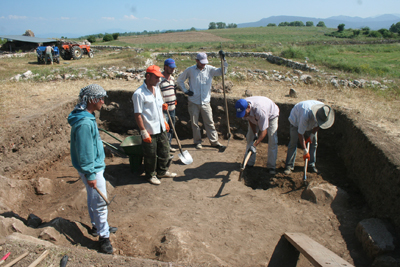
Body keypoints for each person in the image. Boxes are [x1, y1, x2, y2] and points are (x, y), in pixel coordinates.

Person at [68, 84, 117, 254]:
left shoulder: (87, 117)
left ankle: (97, 227)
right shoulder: (83, 124)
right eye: (101, 98)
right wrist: (90, 174)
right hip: (92, 169)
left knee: (93, 198)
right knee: (101, 203)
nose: (103, 102)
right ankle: (104, 238)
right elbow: (84, 152)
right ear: (93, 100)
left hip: (93, 167)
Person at [132, 65, 177, 185]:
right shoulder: (139, 94)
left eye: (159, 78)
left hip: (161, 127)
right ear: (148, 76)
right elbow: (138, 115)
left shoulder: (157, 89)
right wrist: (143, 131)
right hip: (150, 130)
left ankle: (162, 171)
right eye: (156, 77)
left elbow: (159, 108)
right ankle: (150, 175)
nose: (159, 80)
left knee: (165, 151)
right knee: (150, 155)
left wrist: (165, 121)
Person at [177, 51, 228, 149]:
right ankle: (197, 142)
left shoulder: (210, 69)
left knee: (209, 122)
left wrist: (224, 60)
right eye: (201, 62)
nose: (203, 64)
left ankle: (214, 142)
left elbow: (223, 71)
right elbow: (180, 80)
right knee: (194, 123)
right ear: (196, 60)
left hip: (205, 101)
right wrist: (185, 91)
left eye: (205, 62)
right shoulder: (190, 70)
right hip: (193, 101)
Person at [284, 100, 335, 175]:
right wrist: (305, 150)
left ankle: (311, 165)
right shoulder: (305, 115)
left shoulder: (324, 111)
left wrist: (312, 134)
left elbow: (320, 125)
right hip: (296, 120)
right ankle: (289, 166)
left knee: (314, 143)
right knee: (293, 142)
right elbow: (300, 133)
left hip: (311, 124)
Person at [235, 97, 280, 175]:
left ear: (248, 107)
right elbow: (250, 119)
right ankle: (249, 163)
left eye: (244, 113)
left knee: (272, 140)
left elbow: (264, 131)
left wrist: (255, 145)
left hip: (271, 115)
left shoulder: (260, 110)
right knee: (250, 138)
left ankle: (271, 166)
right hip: (256, 115)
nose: (244, 115)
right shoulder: (243, 108)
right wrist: (255, 133)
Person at [160, 58, 178, 153]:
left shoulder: (172, 79)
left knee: (171, 128)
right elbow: (157, 95)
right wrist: (161, 104)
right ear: (165, 67)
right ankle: (164, 147)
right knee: (164, 129)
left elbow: (174, 90)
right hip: (163, 110)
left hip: (172, 108)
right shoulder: (160, 80)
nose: (172, 69)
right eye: (170, 68)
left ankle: (169, 145)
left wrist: (175, 100)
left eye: (173, 68)